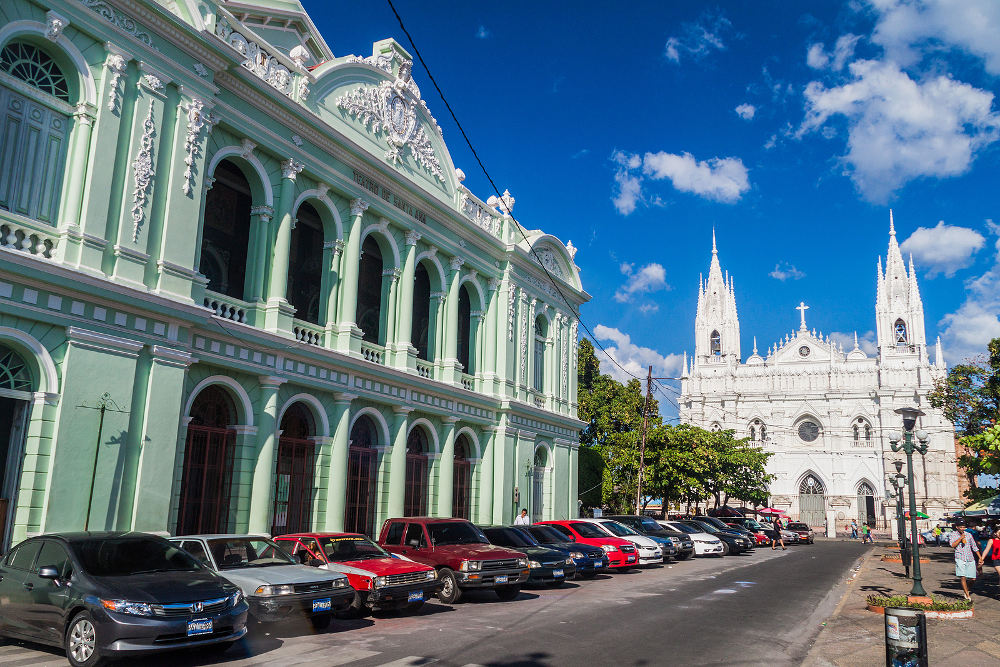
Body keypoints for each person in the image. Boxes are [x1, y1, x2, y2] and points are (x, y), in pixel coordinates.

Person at [949, 520, 980, 601]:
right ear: (957, 527)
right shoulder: (953, 534)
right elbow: (952, 545)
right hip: (960, 557)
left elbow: (974, 546)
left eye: (964, 527)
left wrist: (980, 557)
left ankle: (966, 590)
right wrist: (960, 538)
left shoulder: (968, 535)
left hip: (970, 558)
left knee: (973, 578)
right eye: (961, 527)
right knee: (963, 577)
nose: (962, 529)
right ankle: (967, 595)